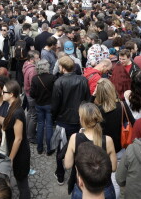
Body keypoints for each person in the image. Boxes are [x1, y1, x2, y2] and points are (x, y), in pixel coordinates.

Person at [64, 103, 117, 198]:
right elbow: (113, 168)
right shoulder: (108, 140)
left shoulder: (75, 138)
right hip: (105, 189)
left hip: (82, 189)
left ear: (82, 120)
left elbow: (67, 165)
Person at [52, 55, 90, 185]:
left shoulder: (59, 82)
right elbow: (87, 100)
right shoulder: (83, 80)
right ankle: (77, 174)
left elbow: (55, 105)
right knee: (78, 148)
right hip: (79, 120)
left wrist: (54, 118)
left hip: (63, 121)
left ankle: (60, 174)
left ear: (62, 68)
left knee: (60, 148)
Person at [0, 80, 31, 199]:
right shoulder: (12, 106)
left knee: (22, 184)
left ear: (11, 94)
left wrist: (11, 158)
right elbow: (9, 123)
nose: (2, 94)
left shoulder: (17, 112)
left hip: (20, 155)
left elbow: (18, 138)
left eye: (4, 92)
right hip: (17, 152)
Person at [29, 59, 55, 154]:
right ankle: (49, 149)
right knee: (49, 126)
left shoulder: (35, 78)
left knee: (40, 126)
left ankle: (39, 148)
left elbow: (32, 94)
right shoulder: (52, 78)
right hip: (49, 105)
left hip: (39, 105)